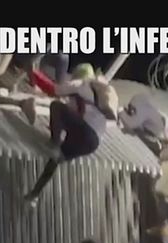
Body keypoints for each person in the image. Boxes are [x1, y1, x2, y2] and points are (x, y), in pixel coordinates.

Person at [23, 64, 119, 205]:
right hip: (93, 143)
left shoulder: (81, 84)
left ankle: (54, 143)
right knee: (56, 159)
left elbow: (53, 90)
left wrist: (33, 72)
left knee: (56, 106)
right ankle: (34, 195)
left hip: (84, 130)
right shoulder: (100, 92)